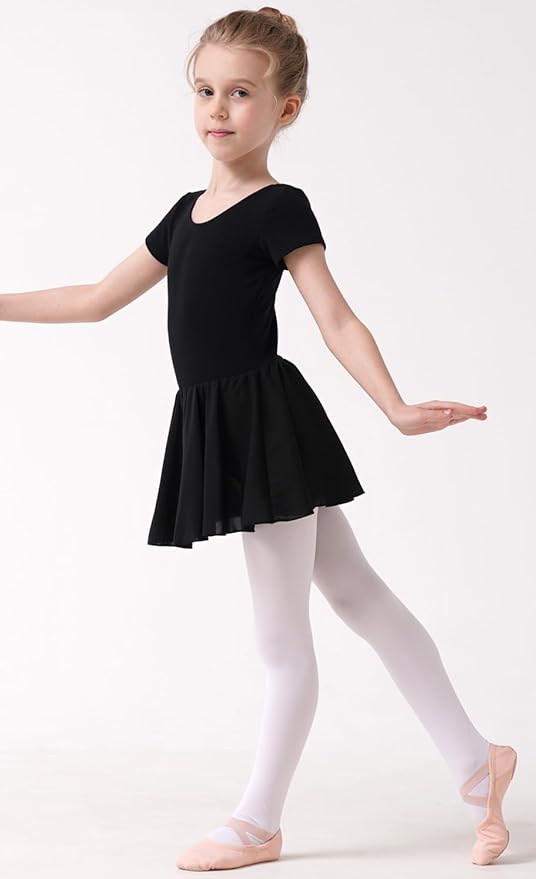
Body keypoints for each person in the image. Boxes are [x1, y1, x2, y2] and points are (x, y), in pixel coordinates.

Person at [1, 6, 517, 873]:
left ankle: (257, 821)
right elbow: (94, 299)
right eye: (205, 90)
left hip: (264, 424)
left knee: (282, 642)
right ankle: (478, 763)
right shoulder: (183, 215)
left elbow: (335, 316)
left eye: (240, 93)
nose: (218, 108)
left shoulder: (280, 207)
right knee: (358, 594)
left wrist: (394, 406)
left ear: (286, 108)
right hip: (228, 423)